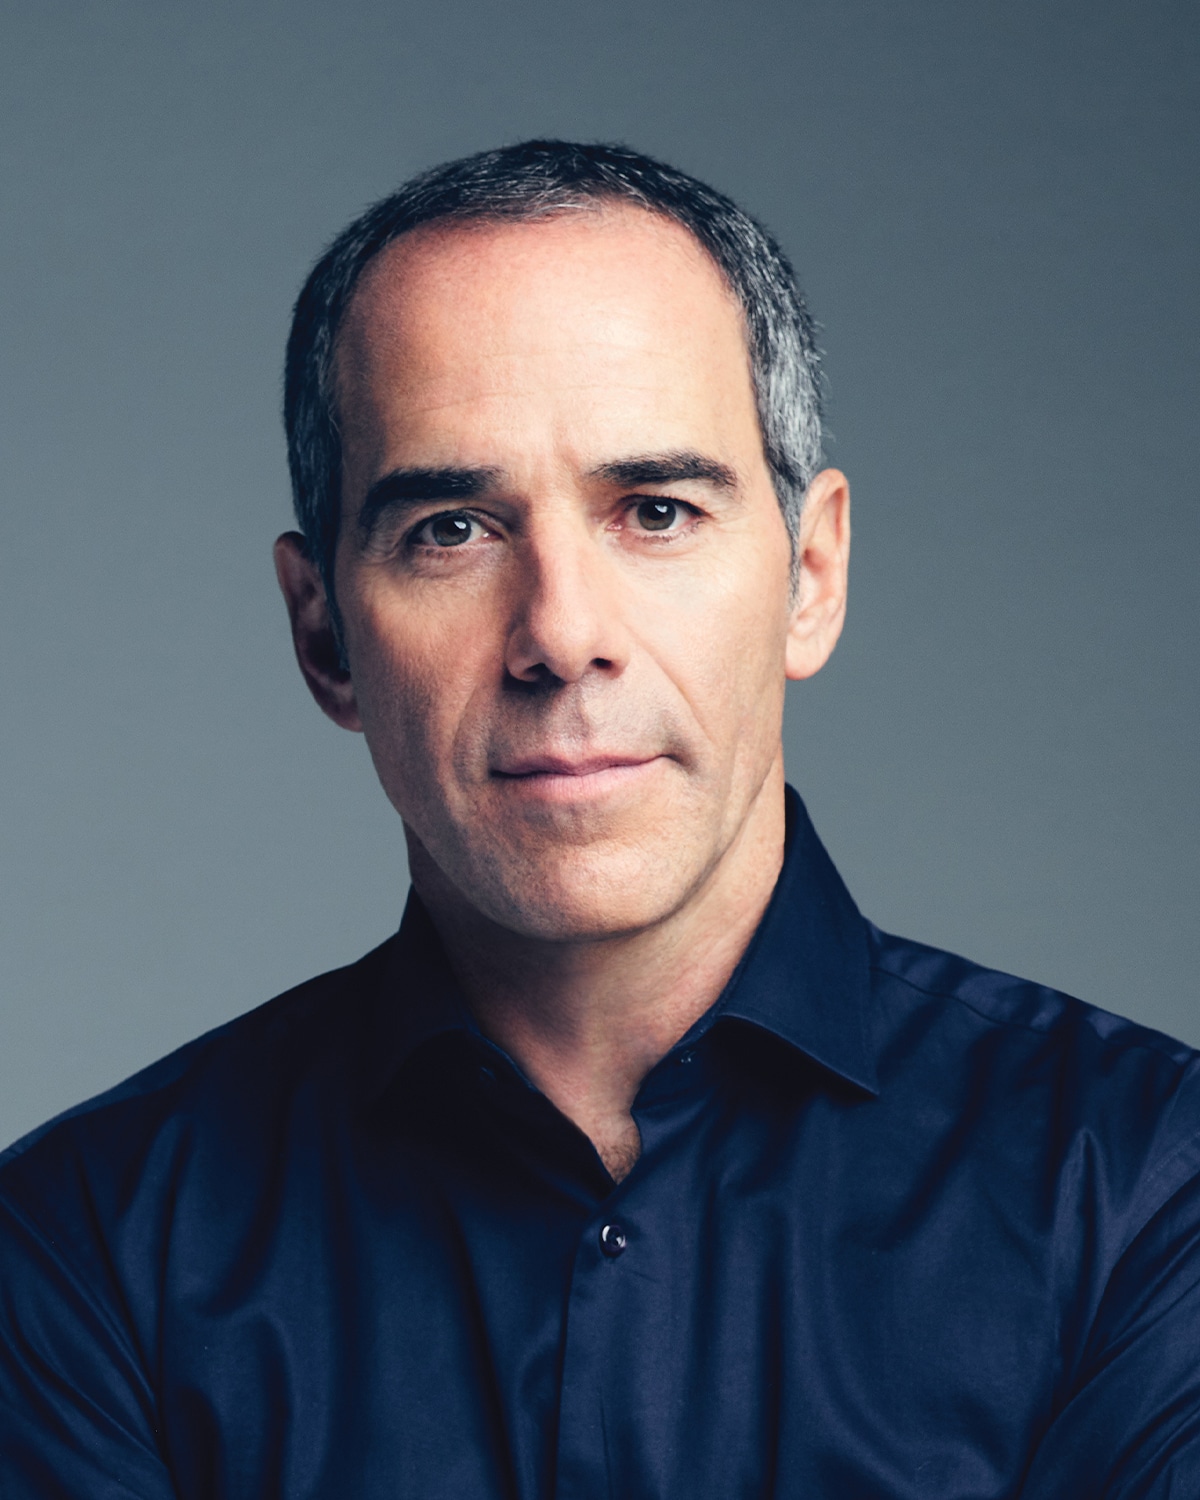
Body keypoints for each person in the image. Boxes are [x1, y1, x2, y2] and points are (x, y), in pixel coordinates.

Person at [1, 139, 1197, 1500]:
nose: (563, 636)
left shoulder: (1146, 1190)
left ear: (810, 577)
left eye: (657, 511)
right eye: (452, 529)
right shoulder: (80, 1256)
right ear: (324, 634)